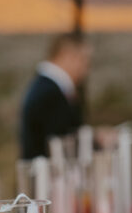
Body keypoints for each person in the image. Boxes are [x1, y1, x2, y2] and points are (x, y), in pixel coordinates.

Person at [19, 31, 90, 159]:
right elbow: (62, 139)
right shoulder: (50, 93)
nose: (85, 69)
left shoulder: (48, 86)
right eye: (83, 60)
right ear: (67, 56)